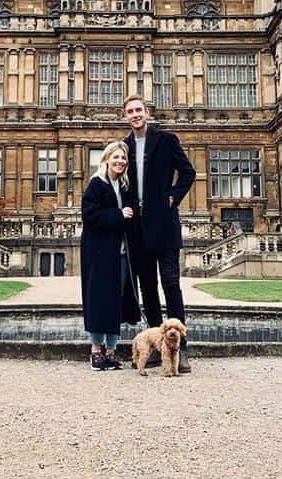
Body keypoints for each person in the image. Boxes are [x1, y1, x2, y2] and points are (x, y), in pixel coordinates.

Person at [122, 94, 196, 373]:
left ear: (146, 112)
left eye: (138, 110)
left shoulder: (166, 140)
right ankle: (156, 347)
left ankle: (181, 349)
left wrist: (173, 197)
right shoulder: (124, 145)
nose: (135, 115)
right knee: (148, 289)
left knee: (170, 285)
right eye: (130, 111)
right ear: (125, 116)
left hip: (164, 224)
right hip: (137, 227)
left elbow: (188, 172)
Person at [80, 140, 142, 371]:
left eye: (123, 158)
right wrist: (118, 215)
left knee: (117, 300)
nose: (120, 161)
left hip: (122, 253)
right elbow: (89, 217)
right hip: (99, 252)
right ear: (106, 159)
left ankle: (111, 351)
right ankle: (96, 351)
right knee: (99, 299)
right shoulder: (96, 184)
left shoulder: (124, 186)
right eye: (115, 157)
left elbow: (132, 217)